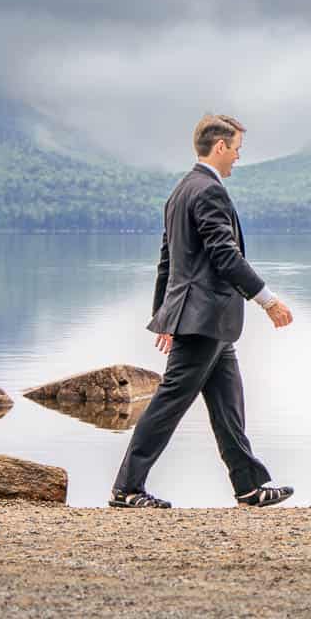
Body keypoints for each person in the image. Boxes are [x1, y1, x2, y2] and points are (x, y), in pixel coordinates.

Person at [111, 114, 296, 509]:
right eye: (236, 150)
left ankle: (248, 486)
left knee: (228, 404)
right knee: (168, 403)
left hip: (204, 319)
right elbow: (224, 256)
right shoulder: (209, 192)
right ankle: (127, 489)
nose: (237, 159)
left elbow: (168, 261)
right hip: (206, 317)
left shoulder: (180, 190)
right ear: (219, 147)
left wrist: (165, 314)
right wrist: (268, 299)